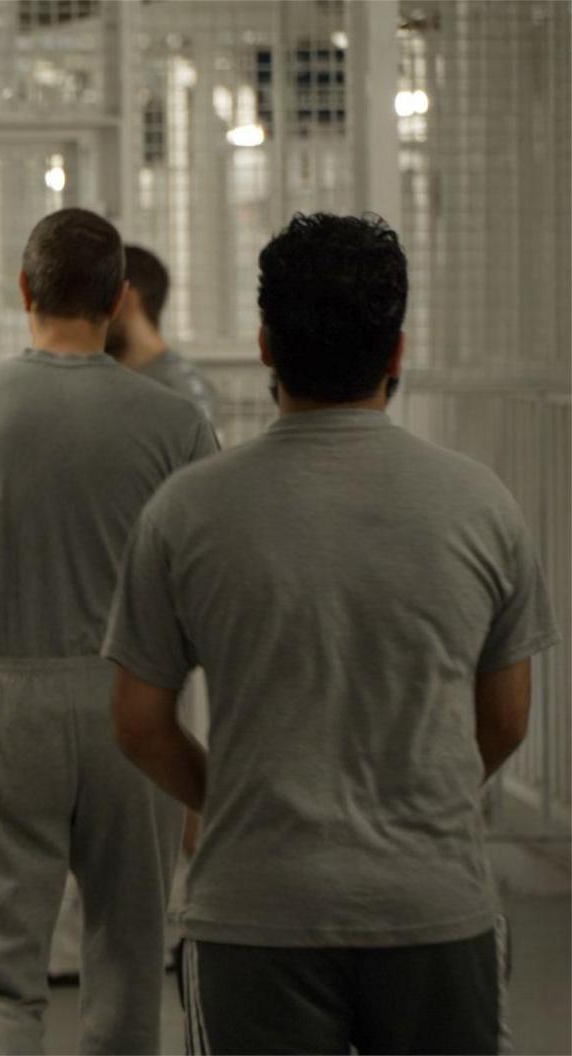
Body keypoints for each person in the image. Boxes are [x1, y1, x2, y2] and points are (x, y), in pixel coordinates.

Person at [105, 212, 560, 1054]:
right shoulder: (480, 504)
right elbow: (507, 720)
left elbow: (137, 721)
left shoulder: (187, 511)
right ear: (396, 353)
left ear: (266, 344)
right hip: (434, 905)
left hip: (255, 909)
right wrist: (418, 797)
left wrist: (235, 796)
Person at [0, 207, 218, 1054]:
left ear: (23, 289)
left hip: (1, 700)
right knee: (127, 962)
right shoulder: (177, 423)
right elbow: (211, 590)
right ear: (117, 300)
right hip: (130, 709)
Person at [49, 241, 219, 984]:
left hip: (157, 623)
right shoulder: (132, 387)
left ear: (129, 302)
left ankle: (196, 917)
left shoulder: (176, 395)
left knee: (170, 781)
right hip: (116, 619)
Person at [105, 244, 223, 438]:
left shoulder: (181, 391)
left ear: (126, 299)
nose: (93, 315)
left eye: (102, 299)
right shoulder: (112, 381)